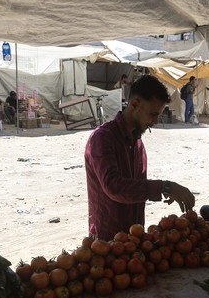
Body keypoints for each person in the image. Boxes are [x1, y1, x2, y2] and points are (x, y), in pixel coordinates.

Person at [84, 75, 195, 240]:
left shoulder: (137, 142)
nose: (155, 121)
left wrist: (162, 191)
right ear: (135, 104)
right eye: (152, 114)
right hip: (107, 241)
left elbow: (136, 187)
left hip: (134, 237)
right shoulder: (102, 139)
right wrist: (164, 187)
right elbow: (114, 187)